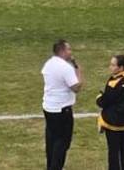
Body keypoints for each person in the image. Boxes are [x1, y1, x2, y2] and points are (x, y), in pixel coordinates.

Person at [42, 40, 82, 170]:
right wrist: (78, 70)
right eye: (69, 49)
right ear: (63, 51)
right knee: (62, 142)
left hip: (49, 107)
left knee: (51, 140)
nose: (71, 52)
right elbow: (76, 87)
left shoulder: (48, 64)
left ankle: (50, 166)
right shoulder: (66, 68)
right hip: (62, 110)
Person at [96, 54, 124, 170]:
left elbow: (104, 101)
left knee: (113, 152)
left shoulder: (114, 82)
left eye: (113, 65)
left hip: (114, 124)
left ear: (121, 68)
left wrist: (99, 97)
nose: (110, 67)